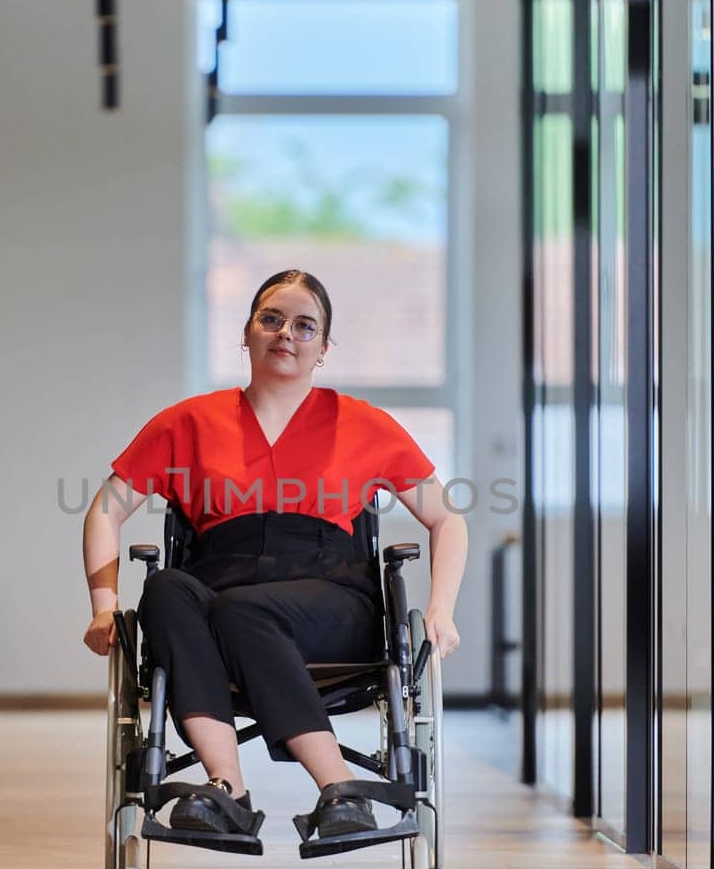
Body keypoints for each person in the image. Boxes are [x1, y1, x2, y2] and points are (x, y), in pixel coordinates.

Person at [80, 269, 466, 840]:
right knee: (165, 590)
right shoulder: (187, 422)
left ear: (324, 348)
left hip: (332, 599)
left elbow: (446, 517)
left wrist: (441, 608)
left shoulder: (365, 424)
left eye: (305, 325)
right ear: (247, 333)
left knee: (242, 610)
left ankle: (340, 789)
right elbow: (104, 510)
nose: (287, 333)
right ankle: (226, 787)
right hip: (217, 582)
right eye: (272, 319)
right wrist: (104, 604)